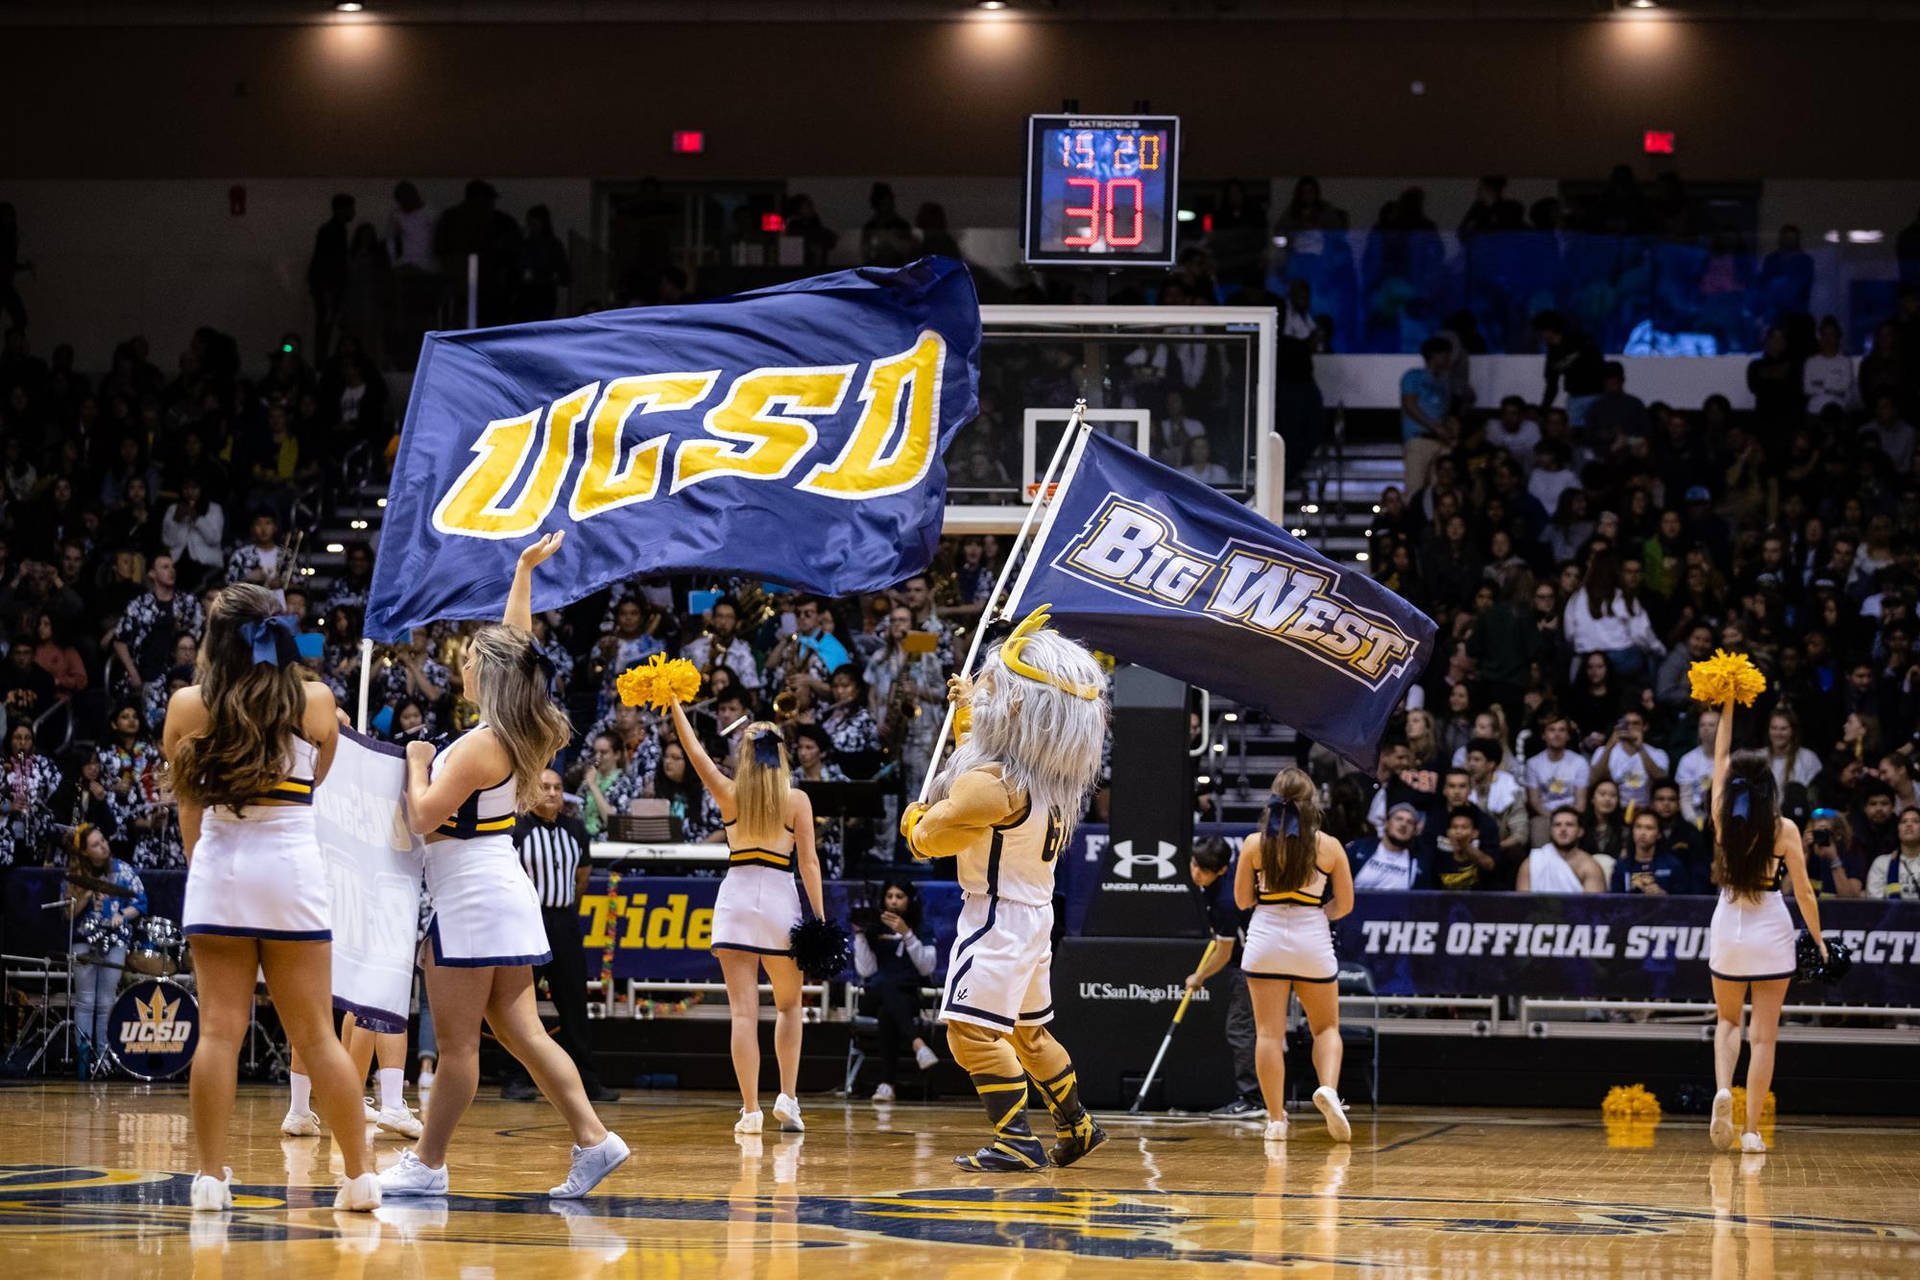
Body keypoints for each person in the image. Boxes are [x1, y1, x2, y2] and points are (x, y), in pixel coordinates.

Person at [380, 533, 627, 1200]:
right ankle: (596, 1139)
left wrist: (414, 760)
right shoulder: (519, 731)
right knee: (522, 1032)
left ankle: (427, 1167)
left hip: (471, 898)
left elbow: (424, 816)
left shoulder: (478, 746)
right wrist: (522, 572)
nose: (461, 670)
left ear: (484, 677)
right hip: (500, 889)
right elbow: (516, 641)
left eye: (467, 664)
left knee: (460, 1047)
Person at [163, 583, 379, 1212]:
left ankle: (208, 1180)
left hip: (220, 869)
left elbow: (188, 809)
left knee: (219, 1034)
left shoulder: (185, 705)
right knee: (315, 1035)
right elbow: (317, 782)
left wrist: (208, 874)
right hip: (291, 868)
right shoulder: (316, 701)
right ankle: (361, 1179)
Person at [901, 609, 1108, 1171]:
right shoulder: (1050, 782)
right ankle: (1078, 1124)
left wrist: (916, 823)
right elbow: (989, 759)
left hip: (995, 916)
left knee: (968, 1034)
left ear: (1020, 708)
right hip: (1034, 915)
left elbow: (930, 838)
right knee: (1030, 1035)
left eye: (996, 690)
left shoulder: (991, 787)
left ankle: (1015, 1139)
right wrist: (970, 710)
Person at [666, 678, 823, 1136]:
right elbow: (809, 863)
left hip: (735, 900)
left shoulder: (729, 792)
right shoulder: (796, 800)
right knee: (790, 1008)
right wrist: (819, 919)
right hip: (778, 899)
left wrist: (675, 704)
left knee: (742, 1013)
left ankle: (750, 1110)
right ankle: (788, 1100)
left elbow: (695, 753)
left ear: (747, 756)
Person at [1703, 683, 1827, 1153]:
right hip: (1771, 927)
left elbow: (1720, 756)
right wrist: (1817, 941)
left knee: (1728, 1023)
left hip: (1729, 923)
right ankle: (1752, 1130)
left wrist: (1728, 703)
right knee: (1765, 1036)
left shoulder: (1720, 814)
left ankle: (1721, 1087)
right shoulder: (1784, 829)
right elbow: (1806, 893)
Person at [1235, 768, 1355, 1143]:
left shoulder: (1255, 844)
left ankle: (1275, 1120)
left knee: (1269, 1034)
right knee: (1326, 1027)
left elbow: (1242, 901)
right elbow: (1346, 905)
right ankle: (1329, 1090)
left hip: (1265, 937)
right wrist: (1320, 914)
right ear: (1312, 802)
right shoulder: (1330, 847)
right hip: (1311, 938)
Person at [503, 768, 618, 1104]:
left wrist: (564, 907)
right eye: (544, 787)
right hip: (526, 923)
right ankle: (515, 1078)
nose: (552, 793)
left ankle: (587, 1081)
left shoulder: (576, 829)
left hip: (564, 922)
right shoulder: (517, 829)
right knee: (519, 1006)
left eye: (556, 787)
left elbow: (582, 876)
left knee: (574, 1005)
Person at [1185, 836, 1261, 1120]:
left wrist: (1199, 976)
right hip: (1246, 965)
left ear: (1222, 870)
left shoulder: (1227, 900)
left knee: (1241, 1030)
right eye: (1194, 865)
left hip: (1251, 968)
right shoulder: (1212, 889)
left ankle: (1252, 1099)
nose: (1196, 874)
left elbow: (1225, 950)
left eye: (1204, 870)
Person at [63, 824, 146, 1077]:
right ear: (86, 853)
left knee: (106, 1001)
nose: (104, 847)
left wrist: (122, 914)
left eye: (104, 841)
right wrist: (87, 896)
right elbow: (68, 914)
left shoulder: (122, 869)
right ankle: (83, 1056)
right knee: (86, 1000)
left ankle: (104, 1056)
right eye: (96, 845)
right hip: (84, 940)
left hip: (115, 940)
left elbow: (140, 901)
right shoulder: (74, 875)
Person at [851, 880, 939, 1103]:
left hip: (907, 995)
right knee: (884, 983)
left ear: (909, 900)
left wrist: (907, 934)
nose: (893, 901)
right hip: (873, 994)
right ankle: (918, 1044)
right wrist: (860, 935)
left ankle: (886, 1084)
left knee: (886, 1013)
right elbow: (866, 970)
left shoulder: (921, 927)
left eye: (899, 896)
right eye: (889, 896)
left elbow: (927, 967)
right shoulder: (874, 927)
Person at [1518, 808, 1606, 892]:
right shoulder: (1532, 863)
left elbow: (1594, 906)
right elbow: (1523, 903)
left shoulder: (1590, 867)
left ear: (1580, 831)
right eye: (1557, 825)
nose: (1563, 829)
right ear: (1551, 831)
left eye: (1569, 825)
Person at [1611, 811, 1687, 894]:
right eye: (1638, 827)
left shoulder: (1673, 865)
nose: (1642, 833)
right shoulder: (1621, 866)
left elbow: (1683, 902)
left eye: (1649, 828)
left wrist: (1663, 896)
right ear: (1632, 831)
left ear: (1659, 834)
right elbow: (1614, 902)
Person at [1864, 807, 1920, 898]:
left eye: (1916, 821)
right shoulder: (1882, 863)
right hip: (1893, 912)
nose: (1909, 824)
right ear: (1898, 829)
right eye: (1904, 821)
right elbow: (1874, 902)